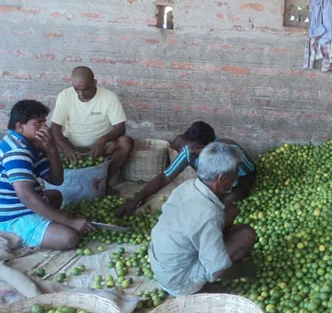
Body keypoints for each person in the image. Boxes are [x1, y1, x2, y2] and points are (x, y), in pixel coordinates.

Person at [148, 142, 257, 296]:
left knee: (231, 209)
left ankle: (213, 251)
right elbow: (220, 271)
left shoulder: (187, 186)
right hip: (178, 282)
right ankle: (202, 284)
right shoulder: (208, 214)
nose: (236, 177)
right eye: (235, 172)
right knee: (246, 234)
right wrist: (246, 270)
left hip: (162, 266)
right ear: (222, 178)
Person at [0, 100, 94, 249]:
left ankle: (43, 222)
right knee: (69, 238)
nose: (45, 127)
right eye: (38, 123)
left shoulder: (27, 144)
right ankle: (15, 232)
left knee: (56, 195)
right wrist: (69, 221)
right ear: (19, 126)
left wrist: (52, 150)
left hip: (20, 203)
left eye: (44, 122)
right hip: (12, 216)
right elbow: (26, 196)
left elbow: (56, 180)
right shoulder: (18, 151)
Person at [116, 121, 255, 217]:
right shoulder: (190, 150)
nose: (192, 151)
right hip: (215, 182)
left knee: (227, 203)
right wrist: (136, 199)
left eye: (197, 149)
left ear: (210, 145)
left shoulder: (229, 153)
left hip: (239, 180)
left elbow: (247, 176)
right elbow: (165, 176)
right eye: (190, 147)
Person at [50, 66, 134, 194]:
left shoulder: (108, 97)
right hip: (71, 146)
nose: (81, 94)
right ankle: (58, 182)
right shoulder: (65, 96)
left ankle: (102, 182)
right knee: (43, 140)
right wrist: (67, 148)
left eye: (85, 89)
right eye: (76, 89)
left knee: (126, 142)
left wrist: (103, 139)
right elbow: (55, 128)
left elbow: (120, 128)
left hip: (99, 148)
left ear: (95, 83)